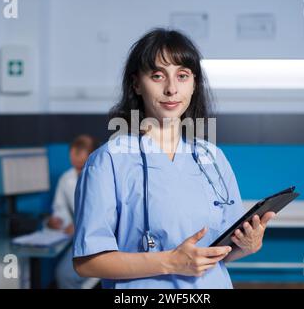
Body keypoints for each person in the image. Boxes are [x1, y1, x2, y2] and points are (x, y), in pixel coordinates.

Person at [72, 28, 275, 289]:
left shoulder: (213, 158)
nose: (171, 89)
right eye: (157, 76)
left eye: (182, 76)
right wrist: (170, 262)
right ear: (136, 84)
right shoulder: (108, 161)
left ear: (194, 84)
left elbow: (219, 250)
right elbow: (87, 263)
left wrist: (247, 245)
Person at [47, 134, 100, 289]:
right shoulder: (66, 179)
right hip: (79, 239)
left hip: (99, 240)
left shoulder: (104, 178)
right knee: (64, 275)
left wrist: (79, 227)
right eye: (75, 164)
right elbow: (60, 209)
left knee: (65, 276)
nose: (78, 170)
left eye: (81, 165)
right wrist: (57, 221)